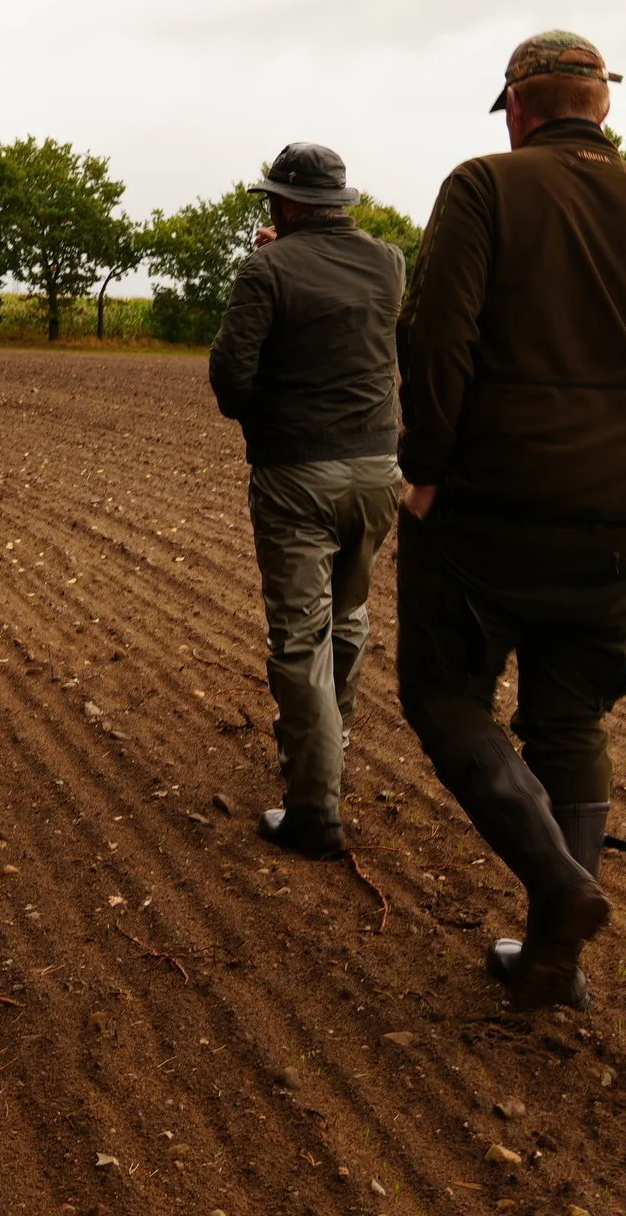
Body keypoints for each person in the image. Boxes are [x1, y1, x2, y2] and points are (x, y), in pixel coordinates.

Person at [395, 31, 626, 1010]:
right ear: (604, 107)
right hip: (623, 524)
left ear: (517, 108)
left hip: (489, 509)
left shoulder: (483, 188)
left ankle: (556, 883)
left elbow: (438, 335)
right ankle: (557, 960)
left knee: (444, 694)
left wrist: (425, 467)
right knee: (570, 716)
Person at [207, 143, 405, 860]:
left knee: (300, 639)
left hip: (298, 475)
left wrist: (273, 421)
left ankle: (315, 810)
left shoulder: (266, 269)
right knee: (347, 620)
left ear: (287, 204)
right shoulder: (389, 262)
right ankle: (329, 752)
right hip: (379, 469)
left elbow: (231, 377)